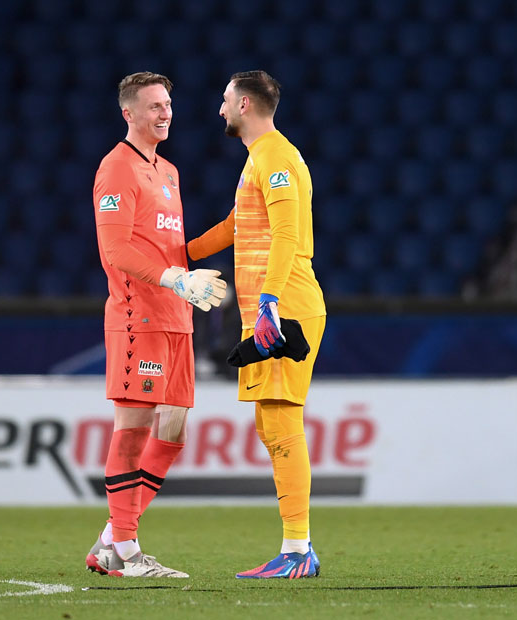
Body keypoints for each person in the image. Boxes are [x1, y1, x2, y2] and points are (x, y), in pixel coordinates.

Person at [87, 71, 227, 578]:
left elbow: (174, 249)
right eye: (153, 106)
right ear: (128, 113)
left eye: (167, 104)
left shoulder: (168, 171)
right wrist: (170, 276)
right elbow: (116, 249)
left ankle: (109, 538)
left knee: (173, 430)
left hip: (177, 316)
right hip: (136, 317)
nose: (164, 113)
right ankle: (126, 551)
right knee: (133, 429)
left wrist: (227, 232)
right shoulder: (116, 168)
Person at [187, 71, 326, 579]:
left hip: (284, 306)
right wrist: (180, 256)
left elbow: (288, 234)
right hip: (268, 308)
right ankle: (296, 546)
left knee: (283, 419)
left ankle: (298, 550)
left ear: (245, 104)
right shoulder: (260, 159)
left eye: (224, 99)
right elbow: (235, 226)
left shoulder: (275, 156)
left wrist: (268, 300)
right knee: (269, 423)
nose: (219, 108)